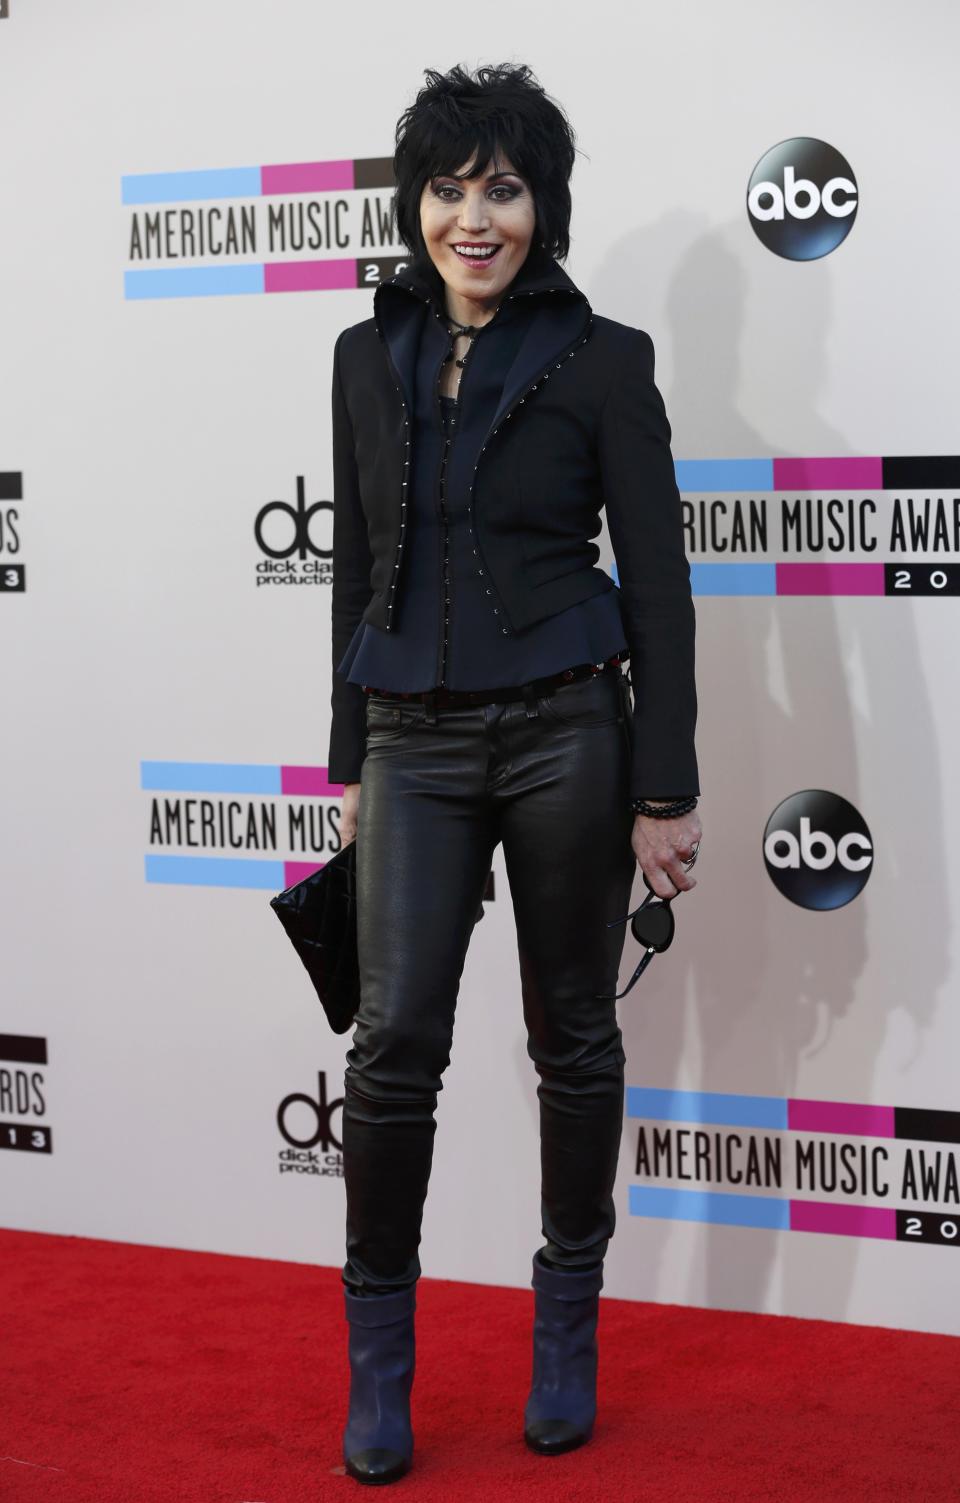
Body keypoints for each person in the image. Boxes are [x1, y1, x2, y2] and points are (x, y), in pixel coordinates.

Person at [327, 61, 702, 1486]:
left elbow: (659, 589)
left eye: (501, 188)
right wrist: (350, 758)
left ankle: (565, 1337)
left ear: (542, 206)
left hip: (567, 732)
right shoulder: (366, 356)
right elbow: (358, 570)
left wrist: (664, 785)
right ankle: (379, 1369)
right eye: (447, 188)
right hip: (412, 742)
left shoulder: (607, 359)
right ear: (414, 201)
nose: (471, 218)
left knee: (575, 1042)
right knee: (391, 1053)